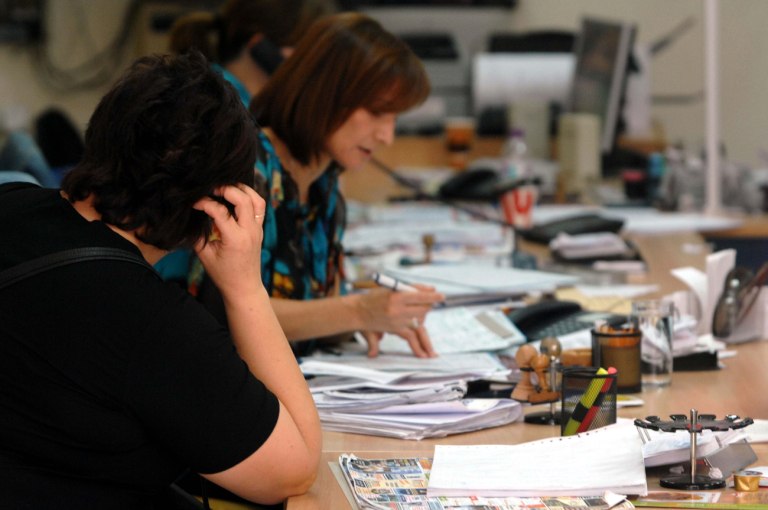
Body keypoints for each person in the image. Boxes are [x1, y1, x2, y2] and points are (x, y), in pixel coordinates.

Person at [0, 52, 321, 508]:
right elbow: (295, 468)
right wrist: (245, 288)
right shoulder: (151, 321)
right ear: (217, 202)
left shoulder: (11, 200)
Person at [190, 12, 445, 359]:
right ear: (324, 93)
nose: (387, 136)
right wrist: (357, 311)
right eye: (376, 112)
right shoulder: (246, 170)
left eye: (394, 118)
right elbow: (226, 313)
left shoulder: (325, 188)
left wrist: (372, 316)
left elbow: (313, 311)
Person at [168, 0, 333, 106]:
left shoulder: (245, 105)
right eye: (305, 48)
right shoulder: (213, 102)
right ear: (260, 45)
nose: (313, 63)